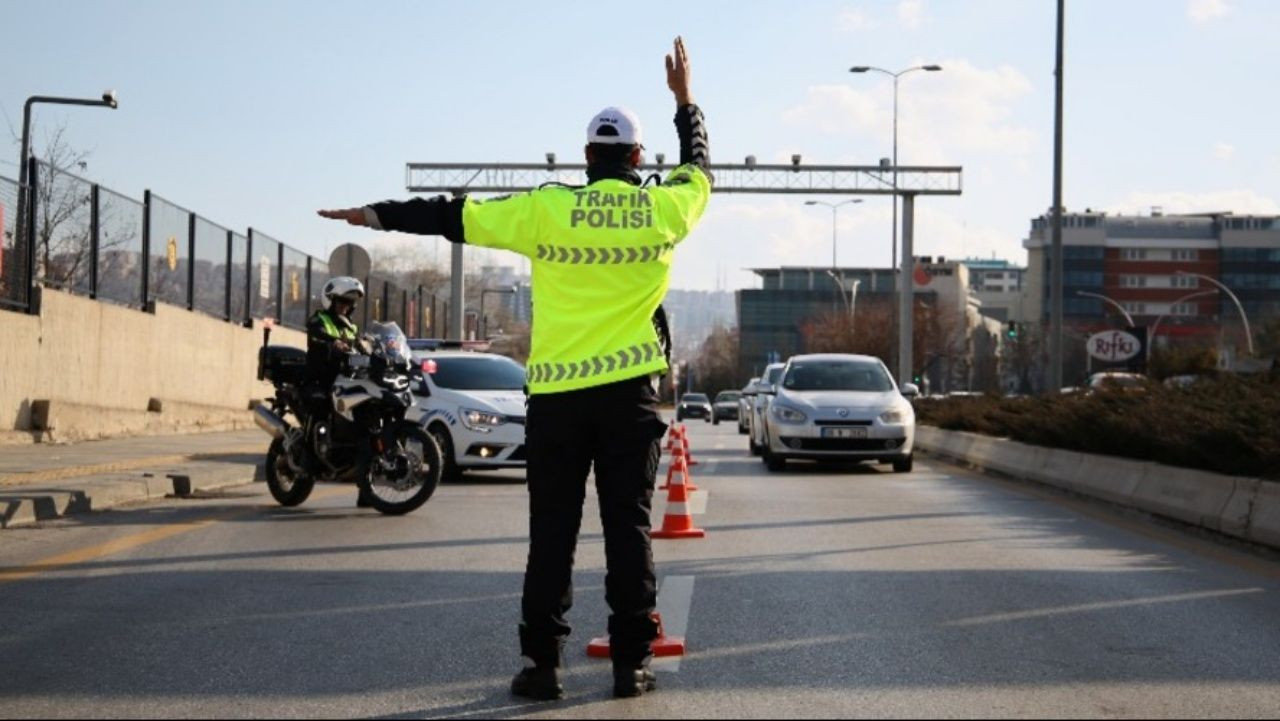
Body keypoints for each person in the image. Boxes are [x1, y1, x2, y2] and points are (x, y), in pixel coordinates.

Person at [318, 36, 710, 699]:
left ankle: (542, 666)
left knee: (552, 534)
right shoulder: (664, 208)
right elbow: (700, 167)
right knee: (629, 529)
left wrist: (373, 215)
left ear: (586, 157)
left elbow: (452, 216)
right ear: (639, 159)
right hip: (629, 399)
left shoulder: (546, 208)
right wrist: (685, 100)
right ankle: (631, 665)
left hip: (558, 401)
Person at [305, 276, 373, 507]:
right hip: (320, 379)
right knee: (319, 409)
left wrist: (371, 347)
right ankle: (308, 458)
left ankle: (366, 491)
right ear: (331, 300)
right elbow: (316, 332)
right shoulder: (319, 319)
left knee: (363, 430)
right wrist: (333, 342)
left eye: (349, 303)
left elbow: (361, 345)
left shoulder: (351, 327)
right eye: (342, 301)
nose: (345, 306)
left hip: (345, 382)